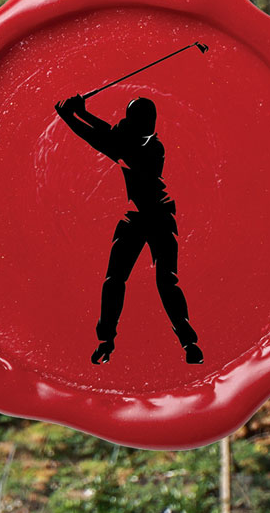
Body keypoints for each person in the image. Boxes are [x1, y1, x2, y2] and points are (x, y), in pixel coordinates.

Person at [53, 90, 201, 367]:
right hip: (138, 216)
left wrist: (69, 117)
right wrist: (81, 112)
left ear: (138, 124)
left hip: (157, 216)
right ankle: (105, 341)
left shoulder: (148, 149)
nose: (123, 122)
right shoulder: (139, 141)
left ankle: (189, 342)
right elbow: (109, 132)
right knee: (115, 280)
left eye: (129, 119)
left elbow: (102, 140)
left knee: (165, 281)